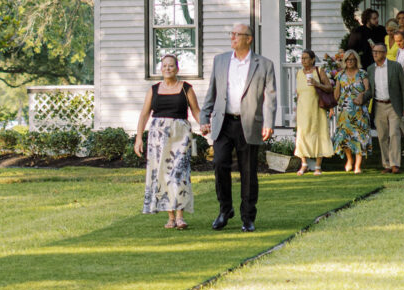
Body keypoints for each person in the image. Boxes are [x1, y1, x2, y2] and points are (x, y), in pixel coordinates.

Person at [201, 23, 276, 233]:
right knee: (219, 163)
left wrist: (269, 122)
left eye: (236, 34)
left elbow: (270, 98)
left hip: (250, 123)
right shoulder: (220, 60)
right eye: (231, 34)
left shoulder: (265, 65)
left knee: (248, 172)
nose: (232, 37)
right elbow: (212, 93)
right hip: (223, 123)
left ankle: (248, 217)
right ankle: (225, 210)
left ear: (248, 39)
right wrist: (203, 117)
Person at [134, 54, 201, 230]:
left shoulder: (186, 88)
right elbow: (144, 114)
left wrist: (205, 125)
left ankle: (180, 216)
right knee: (162, 175)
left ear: (177, 69)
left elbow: (196, 111)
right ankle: (170, 217)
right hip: (157, 137)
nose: (167, 69)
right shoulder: (154, 89)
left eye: (171, 66)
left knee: (179, 174)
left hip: (180, 136)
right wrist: (139, 137)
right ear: (161, 69)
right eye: (164, 66)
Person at [367, 44, 404, 174]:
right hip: (378, 105)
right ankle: (387, 165)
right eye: (373, 52)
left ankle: (395, 164)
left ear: (385, 53)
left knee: (394, 134)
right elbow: (370, 90)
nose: (375, 54)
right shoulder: (370, 69)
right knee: (382, 136)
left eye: (378, 52)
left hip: (394, 105)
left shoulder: (395, 67)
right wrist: (361, 97)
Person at [294, 49, 334, 175]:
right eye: (302, 58)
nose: (303, 60)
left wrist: (317, 84)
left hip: (317, 107)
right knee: (302, 134)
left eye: (306, 58)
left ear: (312, 59)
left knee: (318, 133)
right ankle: (304, 164)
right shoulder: (299, 73)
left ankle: (317, 166)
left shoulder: (319, 71)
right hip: (303, 109)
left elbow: (329, 88)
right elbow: (299, 92)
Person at [332, 47, 371, 173]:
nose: (350, 61)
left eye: (353, 59)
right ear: (344, 61)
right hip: (345, 111)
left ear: (356, 60)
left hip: (359, 110)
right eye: (348, 59)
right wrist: (332, 106)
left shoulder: (362, 73)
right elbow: (336, 95)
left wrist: (362, 95)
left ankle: (358, 166)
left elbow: (368, 90)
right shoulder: (340, 75)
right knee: (344, 137)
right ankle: (349, 160)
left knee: (359, 137)